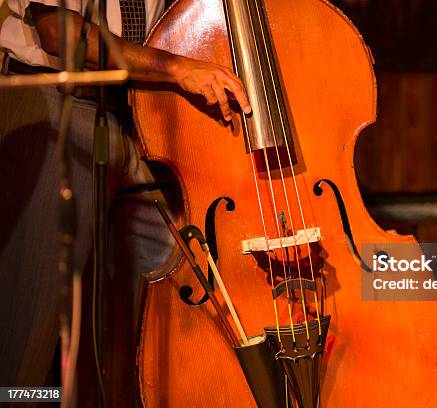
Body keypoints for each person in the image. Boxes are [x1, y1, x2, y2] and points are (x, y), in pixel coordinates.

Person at [0, 0, 250, 403]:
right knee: (30, 323)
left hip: (135, 114)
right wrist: (174, 67)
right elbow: (56, 31)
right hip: (54, 102)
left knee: (163, 285)